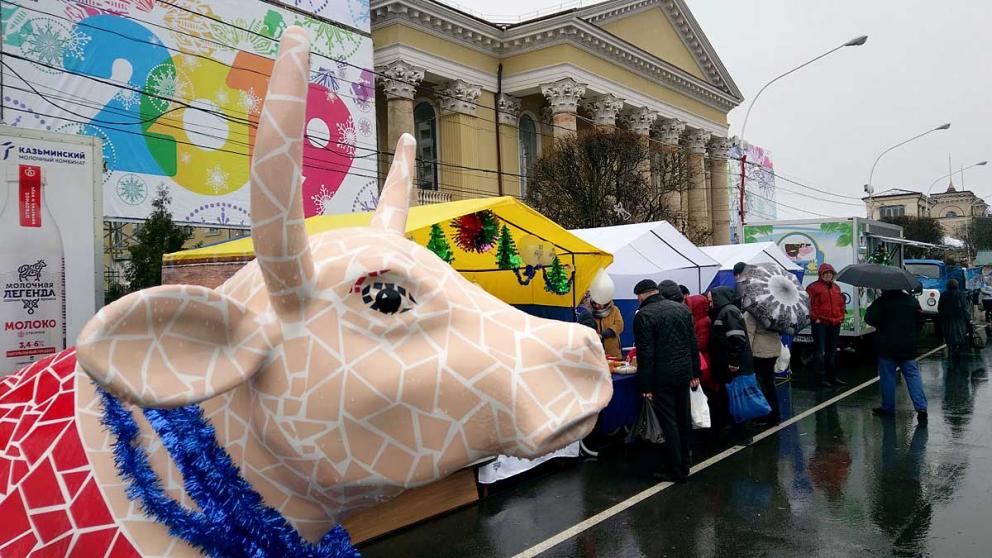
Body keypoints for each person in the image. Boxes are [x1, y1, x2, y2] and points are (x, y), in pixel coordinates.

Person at [633, 279, 701, 482]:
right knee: (683, 418)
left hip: (661, 376)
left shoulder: (644, 315)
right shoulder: (682, 309)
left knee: (669, 422)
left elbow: (646, 353)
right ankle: (685, 462)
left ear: (641, 295)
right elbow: (693, 343)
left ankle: (675, 469)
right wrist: (695, 372)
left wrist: (645, 385)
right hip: (683, 373)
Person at [864, 289, 928, 424]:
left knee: (888, 377)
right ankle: (921, 407)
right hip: (908, 345)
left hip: (886, 346)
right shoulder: (911, 301)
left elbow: (869, 318)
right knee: (912, 376)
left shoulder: (881, 302)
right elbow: (921, 321)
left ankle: (888, 407)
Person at [709, 286, 755, 445]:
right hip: (731, 365)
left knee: (738, 400)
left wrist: (733, 362)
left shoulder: (728, 312)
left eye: (712, 299)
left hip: (734, 367)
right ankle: (737, 432)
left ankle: (743, 435)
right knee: (733, 399)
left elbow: (737, 339)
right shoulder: (727, 311)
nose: (710, 302)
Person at [806, 263, 847, 388]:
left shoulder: (836, 287)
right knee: (820, 352)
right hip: (821, 324)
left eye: (830, 273)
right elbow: (808, 304)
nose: (828, 275)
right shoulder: (813, 288)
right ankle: (821, 378)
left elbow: (841, 304)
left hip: (834, 323)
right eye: (826, 273)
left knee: (832, 352)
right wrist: (815, 318)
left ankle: (832, 377)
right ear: (821, 274)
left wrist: (841, 317)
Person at [745, 311, 782, 425]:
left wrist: (746, 353)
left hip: (759, 351)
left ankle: (764, 415)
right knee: (770, 383)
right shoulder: (776, 310)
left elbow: (749, 333)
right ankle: (775, 415)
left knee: (761, 385)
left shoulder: (753, 311)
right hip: (774, 349)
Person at [938, 279, 969, 357]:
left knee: (948, 333)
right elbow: (965, 307)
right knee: (960, 332)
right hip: (959, 317)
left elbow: (940, 307)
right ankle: (958, 347)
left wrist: (941, 316)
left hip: (947, 317)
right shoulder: (961, 294)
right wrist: (968, 318)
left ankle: (951, 347)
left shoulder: (944, 294)